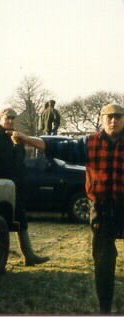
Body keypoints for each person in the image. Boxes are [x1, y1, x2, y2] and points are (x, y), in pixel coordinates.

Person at [9, 103, 124, 314]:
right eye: (109, 117)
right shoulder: (90, 143)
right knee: (104, 262)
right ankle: (105, 309)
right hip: (102, 209)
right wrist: (25, 139)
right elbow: (56, 147)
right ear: (101, 119)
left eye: (118, 116)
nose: (113, 121)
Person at [0, 108, 50, 266]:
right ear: (0, 118)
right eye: (7, 117)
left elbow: (20, 160)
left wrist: (17, 145)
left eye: (13, 118)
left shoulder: (15, 136)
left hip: (14, 185)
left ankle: (29, 255)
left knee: (20, 218)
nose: (10, 121)